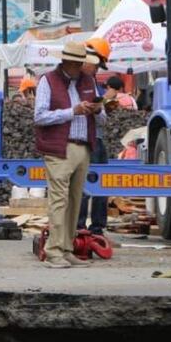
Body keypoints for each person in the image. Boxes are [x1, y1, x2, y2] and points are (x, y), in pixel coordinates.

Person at [34, 41, 104, 268]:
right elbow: (40, 116)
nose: (80, 66)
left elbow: (102, 120)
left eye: (82, 62)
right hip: (59, 147)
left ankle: (66, 248)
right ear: (66, 61)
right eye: (77, 62)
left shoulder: (88, 81)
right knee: (59, 200)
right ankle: (53, 251)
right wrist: (71, 112)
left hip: (82, 146)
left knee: (75, 201)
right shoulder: (47, 81)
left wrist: (99, 110)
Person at [75, 37, 116, 242]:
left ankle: (97, 228)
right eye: (97, 64)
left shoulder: (93, 84)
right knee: (81, 186)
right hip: (77, 141)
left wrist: (98, 110)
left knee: (101, 184)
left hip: (96, 140)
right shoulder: (69, 82)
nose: (98, 69)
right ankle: (79, 226)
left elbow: (104, 119)